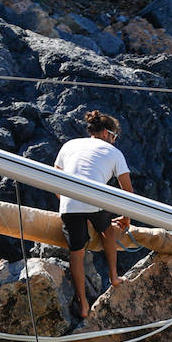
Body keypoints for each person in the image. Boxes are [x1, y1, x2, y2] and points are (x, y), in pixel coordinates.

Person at [53, 110, 135, 319]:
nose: (114, 141)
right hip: (94, 201)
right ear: (107, 134)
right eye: (114, 137)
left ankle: (83, 306)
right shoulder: (114, 153)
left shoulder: (69, 145)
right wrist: (126, 218)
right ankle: (114, 277)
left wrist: (66, 203)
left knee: (77, 253)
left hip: (69, 203)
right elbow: (128, 191)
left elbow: (54, 175)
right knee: (107, 230)